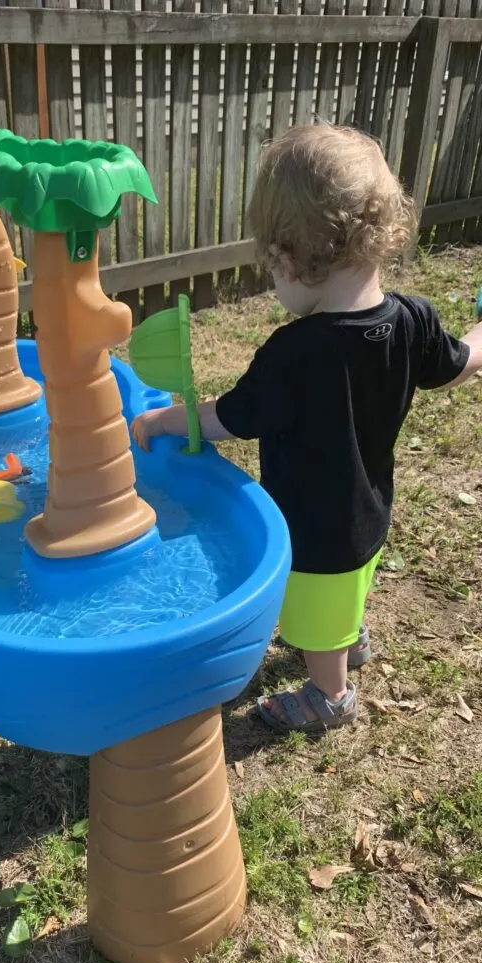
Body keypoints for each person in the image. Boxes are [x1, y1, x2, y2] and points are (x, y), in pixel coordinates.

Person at [132, 123, 482, 734]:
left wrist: (165, 417)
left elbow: (233, 418)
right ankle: (349, 637)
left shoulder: (294, 353)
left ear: (293, 260)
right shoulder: (412, 319)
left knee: (315, 613)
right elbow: (455, 367)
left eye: (272, 268)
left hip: (314, 531)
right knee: (353, 583)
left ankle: (329, 694)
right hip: (370, 509)